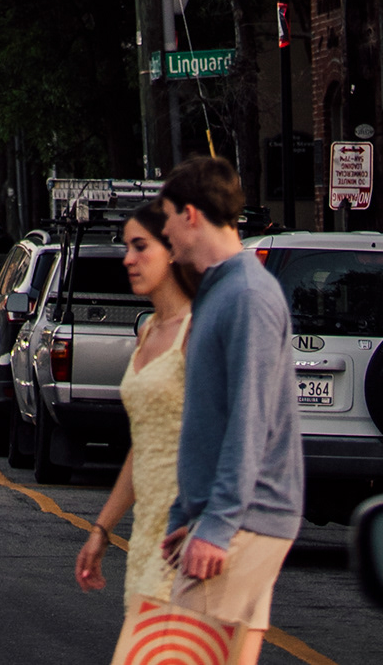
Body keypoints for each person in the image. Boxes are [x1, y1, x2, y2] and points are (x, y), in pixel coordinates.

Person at [159, 152, 303, 665]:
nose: (164, 232)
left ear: (191, 214)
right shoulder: (222, 292)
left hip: (245, 521)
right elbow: (209, 421)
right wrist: (188, 513)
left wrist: (217, 526)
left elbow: (250, 420)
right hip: (237, 519)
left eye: (167, 218)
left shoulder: (246, 296)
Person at [74, 198, 192, 656]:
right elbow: (143, 446)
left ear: (173, 250)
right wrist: (102, 530)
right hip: (146, 535)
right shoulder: (147, 332)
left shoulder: (197, 331)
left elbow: (229, 438)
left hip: (186, 535)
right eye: (126, 247)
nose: (128, 259)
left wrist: (208, 525)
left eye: (140, 246)